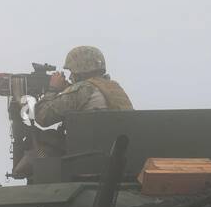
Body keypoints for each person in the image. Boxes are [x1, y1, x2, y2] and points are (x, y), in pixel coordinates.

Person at [14, 46, 134, 177]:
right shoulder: (113, 87)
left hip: (86, 156)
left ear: (80, 71)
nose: (70, 77)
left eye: (72, 72)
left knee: (39, 145)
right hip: (112, 155)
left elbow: (42, 117)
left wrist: (53, 89)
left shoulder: (82, 89)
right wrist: (67, 90)